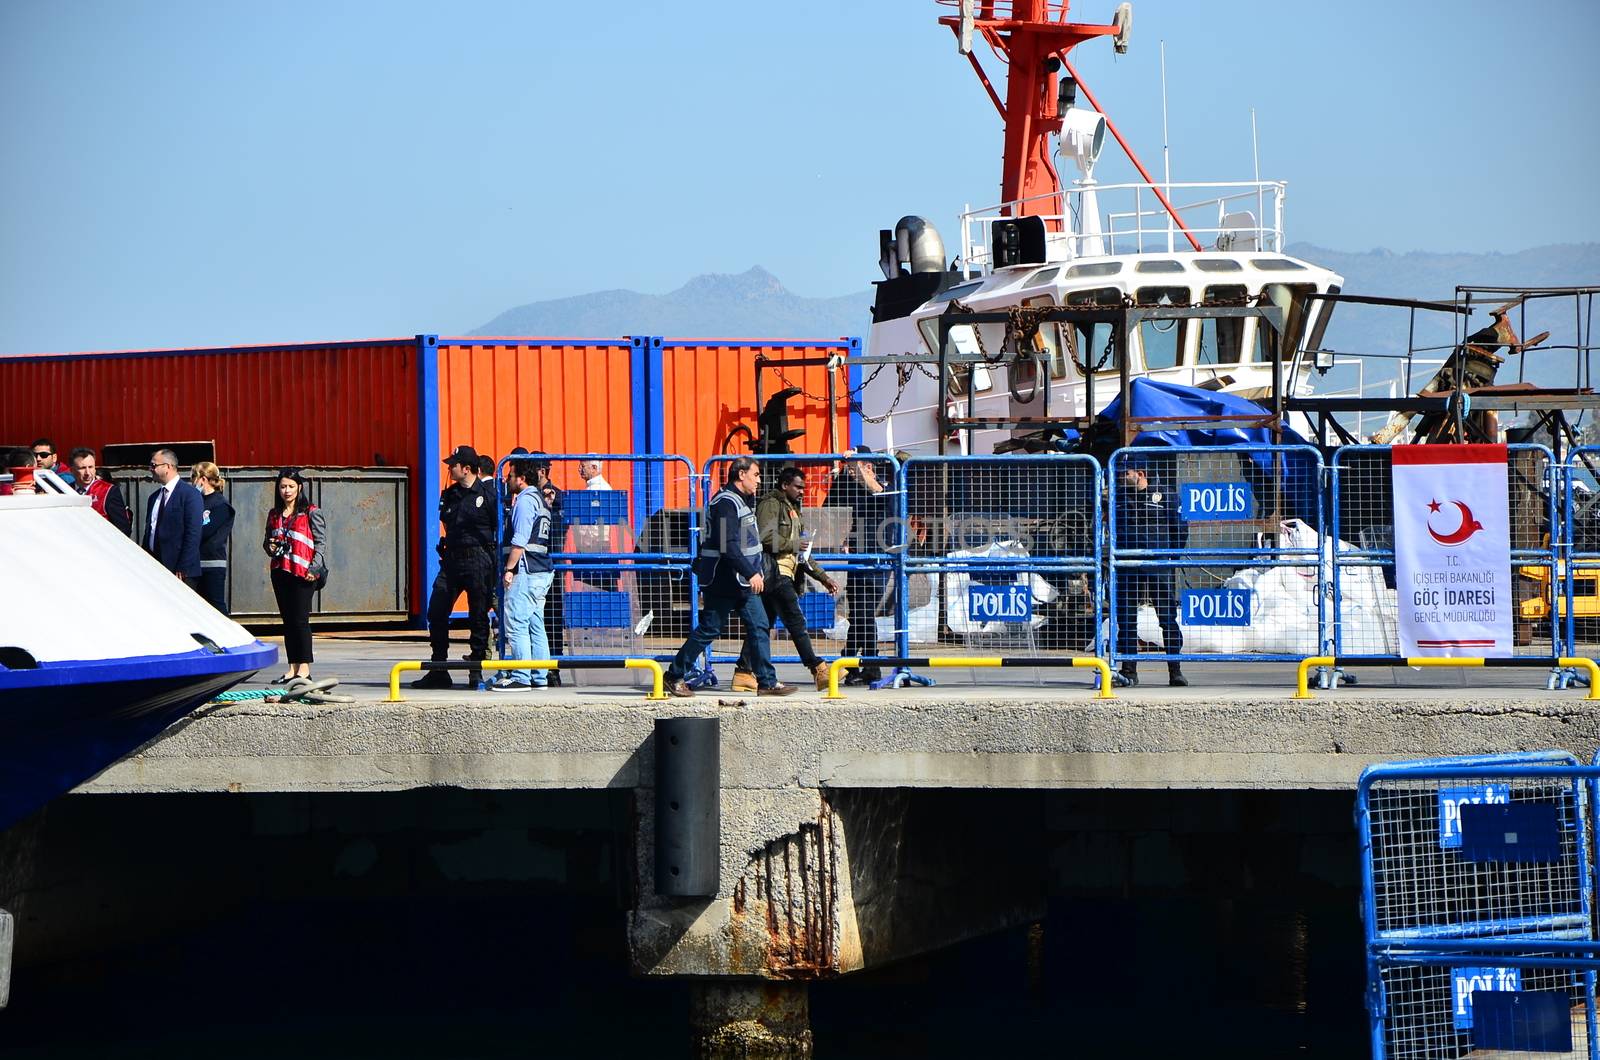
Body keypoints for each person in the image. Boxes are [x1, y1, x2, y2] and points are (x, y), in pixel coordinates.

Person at [662, 457, 795, 698]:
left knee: (759, 626)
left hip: (741, 582)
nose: (759, 480)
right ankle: (673, 676)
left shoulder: (742, 501)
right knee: (710, 629)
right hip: (725, 580)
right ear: (741, 474)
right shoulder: (725, 503)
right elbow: (728, 545)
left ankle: (767, 681)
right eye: (755, 474)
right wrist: (751, 572)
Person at [731, 466, 841, 692]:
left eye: (803, 487)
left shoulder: (793, 510)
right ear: (784, 486)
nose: (802, 491)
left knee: (763, 625)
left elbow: (802, 555)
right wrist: (793, 544)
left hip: (785, 573)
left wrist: (823, 578)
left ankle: (743, 672)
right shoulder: (771, 504)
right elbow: (764, 537)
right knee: (796, 620)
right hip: (774, 573)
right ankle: (818, 667)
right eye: (798, 487)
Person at [413, 445, 498, 690]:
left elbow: (497, 528)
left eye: (454, 465)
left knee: (478, 615)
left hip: (479, 560)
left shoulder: (488, 495)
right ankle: (439, 668)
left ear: (467, 469)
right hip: (452, 560)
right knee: (436, 611)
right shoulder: (450, 495)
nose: (450, 469)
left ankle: (476, 670)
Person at [1112, 458, 1188, 687]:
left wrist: (1171, 556)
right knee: (1126, 620)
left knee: (1166, 618)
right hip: (1128, 565)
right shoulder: (1118, 498)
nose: (1120, 477)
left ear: (1140, 473)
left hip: (1158, 564)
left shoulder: (1165, 495)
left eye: (1125, 473)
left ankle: (1175, 671)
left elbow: (1180, 528)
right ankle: (1129, 671)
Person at [826, 446, 891, 686]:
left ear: (869, 467)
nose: (853, 475)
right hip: (858, 558)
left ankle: (867, 665)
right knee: (858, 614)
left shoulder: (885, 485)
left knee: (864, 613)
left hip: (877, 560)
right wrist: (844, 472)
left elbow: (876, 491)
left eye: (857, 469)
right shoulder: (853, 485)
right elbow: (830, 503)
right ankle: (852, 665)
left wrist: (857, 466)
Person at [489, 459, 555, 691]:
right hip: (541, 570)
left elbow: (520, 540)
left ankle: (521, 676)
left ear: (521, 479)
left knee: (516, 622)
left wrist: (509, 569)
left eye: (510, 475)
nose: (507, 480)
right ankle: (539, 676)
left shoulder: (526, 501)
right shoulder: (541, 500)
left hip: (526, 570)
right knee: (536, 623)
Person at [264, 468, 327, 682]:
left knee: (300, 621)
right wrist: (270, 547)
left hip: (304, 574)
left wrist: (314, 568)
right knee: (288, 621)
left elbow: (321, 543)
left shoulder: (310, 511)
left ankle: (304, 670)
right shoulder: (274, 514)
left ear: (299, 487)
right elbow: (267, 541)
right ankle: (292, 668)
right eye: (283, 486)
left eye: (291, 486)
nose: (287, 490)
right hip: (281, 571)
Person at [144, 448, 204, 581]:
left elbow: (193, 533)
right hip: (155, 569)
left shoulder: (190, 495)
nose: (150, 469)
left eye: (154, 465)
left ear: (168, 467)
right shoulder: (154, 498)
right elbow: (150, 532)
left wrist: (183, 566)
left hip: (180, 572)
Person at [533, 453, 567, 685]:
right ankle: (533, 664)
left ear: (543, 471)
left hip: (552, 562)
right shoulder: (525, 496)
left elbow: (561, 529)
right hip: (533, 564)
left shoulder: (558, 497)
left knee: (552, 616)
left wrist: (551, 506)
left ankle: (553, 666)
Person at [191, 460, 235, 613]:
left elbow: (205, 531)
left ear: (202, 479)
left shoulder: (220, 504)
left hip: (212, 564)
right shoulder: (195, 501)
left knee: (216, 608)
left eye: (193, 478)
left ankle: (229, 636)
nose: (192, 482)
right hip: (194, 563)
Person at [68, 447, 133, 536]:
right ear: (72, 470)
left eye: (90, 467)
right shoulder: (65, 490)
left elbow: (123, 528)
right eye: (82, 468)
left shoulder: (108, 491)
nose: (87, 472)